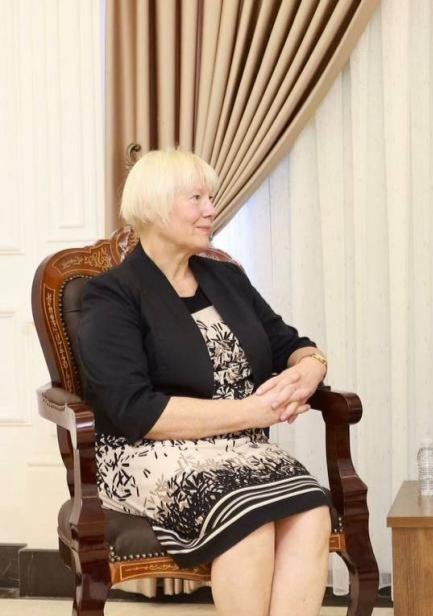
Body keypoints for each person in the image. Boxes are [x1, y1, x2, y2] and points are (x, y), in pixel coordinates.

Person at [78, 150, 333, 616]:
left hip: (241, 450)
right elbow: (137, 411)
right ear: (155, 207)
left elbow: (288, 343)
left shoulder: (226, 278)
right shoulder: (111, 295)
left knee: (312, 511)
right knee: (248, 521)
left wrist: (311, 368)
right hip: (146, 454)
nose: (211, 209)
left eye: (210, 198)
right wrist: (256, 411)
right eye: (196, 198)